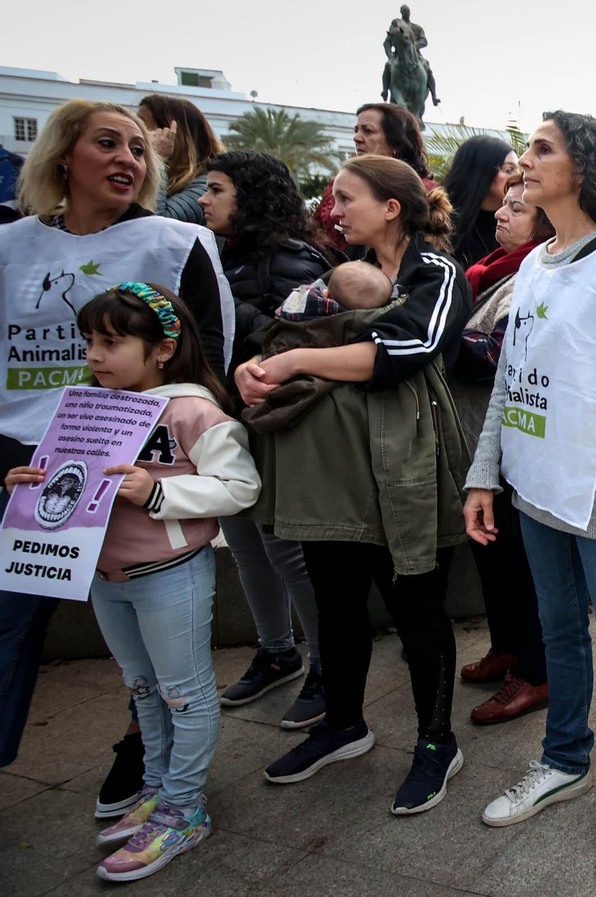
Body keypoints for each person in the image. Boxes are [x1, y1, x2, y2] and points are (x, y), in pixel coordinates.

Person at [0, 102, 235, 820]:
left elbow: (207, 360)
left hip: (131, 474)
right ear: (61, 155)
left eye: (139, 148)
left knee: (154, 659)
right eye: (107, 142)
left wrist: (158, 468)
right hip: (22, 470)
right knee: (10, 626)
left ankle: (154, 763)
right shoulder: (9, 246)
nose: (128, 158)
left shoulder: (176, 241)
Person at [466, 111, 596, 883]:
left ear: (582, 167)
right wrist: (484, 473)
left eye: (542, 148)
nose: (524, 159)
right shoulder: (536, 264)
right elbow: (510, 381)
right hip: (535, 486)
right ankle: (562, 759)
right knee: (557, 633)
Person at [4, 284, 258, 881]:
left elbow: (241, 487)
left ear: (163, 348)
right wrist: (27, 485)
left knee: (183, 693)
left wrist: (160, 491)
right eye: (90, 340)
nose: (95, 354)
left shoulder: (193, 410)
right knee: (142, 688)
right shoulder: (86, 407)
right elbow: (70, 482)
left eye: (112, 342)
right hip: (101, 573)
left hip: (170, 575)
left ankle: (183, 808)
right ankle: (157, 789)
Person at [243, 154, 471, 815]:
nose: (333, 208)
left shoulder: (436, 273)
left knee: (417, 611)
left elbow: (403, 351)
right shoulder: (340, 276)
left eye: (346, 197)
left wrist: (291, 359)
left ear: (392, 207)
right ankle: (343, 723)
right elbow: (277, 328)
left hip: (406, 471)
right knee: (337, 601)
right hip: (332, 473)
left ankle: (436, 742)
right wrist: (258, 368)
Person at [198, 150, 334, 728]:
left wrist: (238, 319)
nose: (204, 200)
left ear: (249, 198)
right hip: (221, 420)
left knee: (285, 549)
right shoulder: (211, 256)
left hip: (273, 422)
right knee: (244, 542)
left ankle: (328, 667)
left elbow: (302, 337)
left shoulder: (293, 259)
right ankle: (276, 649)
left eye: (217, 190)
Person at [452, 170, 557, 725]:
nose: (502, 214)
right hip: (479, 442)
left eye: (518, 209)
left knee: (519, 561)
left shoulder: (537, 277)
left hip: (517, 442)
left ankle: (536, 673)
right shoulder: (484, 273)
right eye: (504, 205)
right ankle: (508, 647)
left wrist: (438, 337)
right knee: (491, 554)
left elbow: (500, 356)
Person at [314, 103, 433, 253]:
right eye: (356, 130)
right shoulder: (339, 183)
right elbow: (316, 228)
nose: (356, 138)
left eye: (368, 131)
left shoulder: (424, 190)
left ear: (396, 143)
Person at [136, 96, 223, 226]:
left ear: (173, 135)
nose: (137, 133)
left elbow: (157, 225)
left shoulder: (206, 185)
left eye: (143, 126)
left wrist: (157, 159)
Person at [441, 134, 517, 269]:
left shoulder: (524, 223)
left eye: (519, 169)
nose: (518, 176)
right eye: (509, 170)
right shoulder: (440, 222)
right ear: (482, 172)